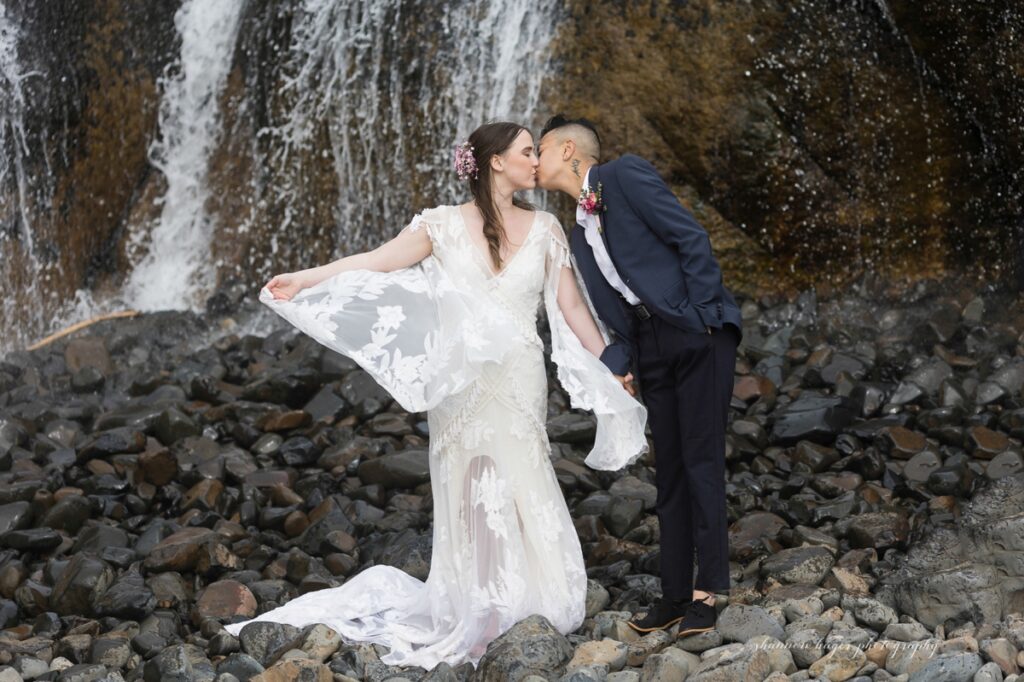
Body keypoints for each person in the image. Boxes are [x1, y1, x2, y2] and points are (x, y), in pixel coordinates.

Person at [223, 122, 648, 670]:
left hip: (518, 374)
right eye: (526, 152)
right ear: (496, 162)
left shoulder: (546, 228)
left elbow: (570, 308)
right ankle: (482, 603)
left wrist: (611, 361)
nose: (535, 161)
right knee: (470, 478)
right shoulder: (440, 224)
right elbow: (377, 260)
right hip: (460, 379)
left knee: (522, 470)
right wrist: (307, 277)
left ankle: (526, 596)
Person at [536, 115, 741, 638]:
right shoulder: (577, 230)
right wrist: (620, 362)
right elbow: (612, 305)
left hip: (694, 332)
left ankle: (709, 591)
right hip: (649, 346)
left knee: (700, 461)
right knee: (669, 471)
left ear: (567, 149)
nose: (533, 160)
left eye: (540, 148)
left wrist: (701, 316)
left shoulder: (624, 175)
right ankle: (673, 595)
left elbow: (691, 238)